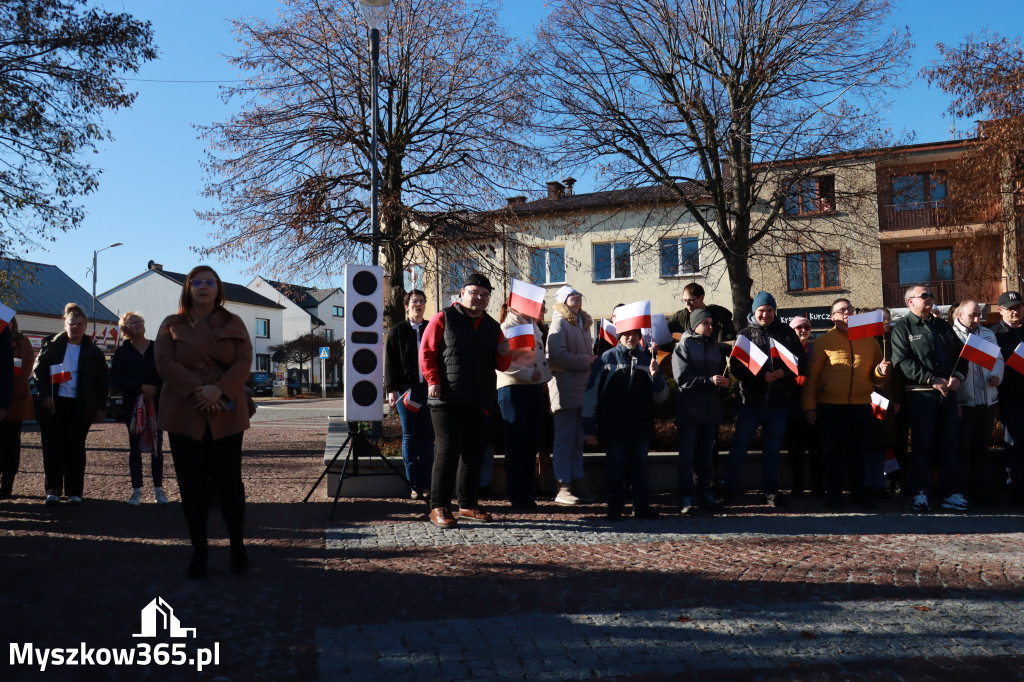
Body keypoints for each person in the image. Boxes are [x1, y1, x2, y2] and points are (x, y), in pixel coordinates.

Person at [155, 266, 253, 577]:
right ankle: (199, 550)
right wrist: (200, 390)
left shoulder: (234, 322)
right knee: (191, 485)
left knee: (230, 484)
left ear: (218, 289)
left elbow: (244, 360)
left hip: (226, 412)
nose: (203, 287)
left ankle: (237, 545)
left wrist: (219, 390)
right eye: (196, 282)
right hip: (186, 412)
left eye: (209, 282)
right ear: (188, 289)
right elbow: (163, 362)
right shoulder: (171, 324)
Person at [419, 273, 511, 528]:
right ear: (462, 293)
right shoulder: (443, 317)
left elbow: (502, 365)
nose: (479, 298)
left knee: (474, 454)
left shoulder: (493, 327)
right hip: (446, 398)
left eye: (484, 295)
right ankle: (438, 506)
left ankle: (468, 505)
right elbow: (426, 351)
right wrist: (432, 380)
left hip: (480, 399)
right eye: (474, 293)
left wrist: (505, 353)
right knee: (447, 453)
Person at [802, 298, 890, 508]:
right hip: (832, 406)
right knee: (835, 454)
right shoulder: (824, 341)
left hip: (861, 406)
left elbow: (878, 378)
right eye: (842, 310)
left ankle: (858, 495)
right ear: (833, 317)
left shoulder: (870, 340)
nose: (847, 312)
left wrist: (881, 371)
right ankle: (834, 496)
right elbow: (812, 378)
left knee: (858, 453)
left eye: (850, 308)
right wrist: (809, 406)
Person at [721, 291, 805, 507]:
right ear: (754, 312)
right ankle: (727, 488)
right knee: (739, 447)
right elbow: (737, 368)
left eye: (769, 310)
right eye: (761, 310)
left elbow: (801, 362)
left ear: (774, 311)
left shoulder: (787, 333)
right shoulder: (745, 335)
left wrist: (784, 373)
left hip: (778, 404)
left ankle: (770, 491)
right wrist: (760, 376)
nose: (765, 314)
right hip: (750, 403)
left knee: (772, 450)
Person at [890, 284, 969, 512]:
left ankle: (950, 493)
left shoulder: (942, 326)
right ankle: (920, 493)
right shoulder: (902, 328)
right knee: (922, 446)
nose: (929, 298)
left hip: (948, 395)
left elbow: (962, 356)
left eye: (931, 295)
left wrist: (958, 378)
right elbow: (901, 362)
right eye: (924, 295)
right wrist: (930, 378)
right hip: (921, 395)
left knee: (950, 445)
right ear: (910, 302)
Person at [583, 313, 669, 520]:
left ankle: (642, 507)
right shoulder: (606, 359)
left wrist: (656, 376)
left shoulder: (648, 360)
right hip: (614, 425)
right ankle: (614, 509)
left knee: (640, 467)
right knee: (616, 468)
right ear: (619, 336)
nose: (631, 337)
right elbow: (591, 394)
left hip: (641, 425)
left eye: (635, 334)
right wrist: (588, 427)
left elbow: (661, 397)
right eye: (627, 334)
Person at [32, 303, 108, 505]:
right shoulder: (51, 346)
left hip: (81, 405)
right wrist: (45, 395)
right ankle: (53, 490)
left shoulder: (94, 352)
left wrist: (101, 407)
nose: (75, 327)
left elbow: (102, 381)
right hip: (54, 404)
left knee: (75, 449)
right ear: (65, 324)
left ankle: (75, 492)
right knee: (52, 448)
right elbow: (38, 371)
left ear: (85, 326)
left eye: (79, 324)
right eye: (72, 323)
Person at [497, 293, 552, 508]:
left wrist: (543, 379)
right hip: (513, 388)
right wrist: (528, 374)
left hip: (533, 388)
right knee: (516, 443)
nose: (538, 309)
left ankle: (527, 494)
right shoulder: (507, 327)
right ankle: (517, 495)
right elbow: (502, 362)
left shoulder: (532, 326)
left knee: (530, 442)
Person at [671, 308, 728, 514]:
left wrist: (724, 382)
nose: (710, 327)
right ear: (695, 325)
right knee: (687, 458)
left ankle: (706, 495)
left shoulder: (714, 347)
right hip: (690, 412)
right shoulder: (683, 346)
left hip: (710, 412)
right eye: (706, 323)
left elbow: (719, 375)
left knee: (706, 459)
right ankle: (686, 498)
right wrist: (709, 381)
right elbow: (682, 379)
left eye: (712, 323)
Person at [546, 285, 597, 506]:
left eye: (578, 294)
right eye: (571, 295)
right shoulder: (559, 322)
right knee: (565, 440)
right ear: (563, 301)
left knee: (577, 440)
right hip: (565, 388)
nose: (576, 296)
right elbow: (557, 355)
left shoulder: (583, 323)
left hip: (580, 388)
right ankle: (563, 487)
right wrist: (588, 361)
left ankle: (577, 482)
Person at [950, 300, 1003, 505]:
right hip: (964, 401)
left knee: (983, 448)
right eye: (972, 315)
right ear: (960, 315)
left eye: (979, 314)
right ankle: (963, 491)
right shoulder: (951, 335)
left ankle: (984, 492)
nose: (976, 319)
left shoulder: (987, 333)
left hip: (986, 399)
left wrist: (996, 376)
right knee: (963, 449)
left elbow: (998, 360)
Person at [111, 311, 167, 506]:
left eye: (140, 321)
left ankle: (159, 489)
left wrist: (154, 389)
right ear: (125, 329)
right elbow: (117, 379)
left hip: (156, 404)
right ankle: (137, 490)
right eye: (132, 322)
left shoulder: (156, 348)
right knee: (135, 447)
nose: (138, 324)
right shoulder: (122, 352)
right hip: (133, 406)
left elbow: (165, 372)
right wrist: (140, 388)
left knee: (157, 447)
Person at [384, 289, 434, 500]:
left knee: (428, 437)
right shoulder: (398, 331)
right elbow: (390, 362)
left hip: (429, 390)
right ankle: (414, 485)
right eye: (414, 301)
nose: (418, 304)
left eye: (422, 300)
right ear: (406, 306)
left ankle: (428, 484)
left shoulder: (432, 327)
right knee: (410, 436)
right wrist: (391, 389)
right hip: (406, 392)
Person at [786, 316, 824, 496]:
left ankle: (819, 486)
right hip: (793, 408)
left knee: (817, 449)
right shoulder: (785, 350)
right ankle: (797, 485)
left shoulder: (816, 350)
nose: (803, 330)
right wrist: (797, 380)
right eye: (799, 327)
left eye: (806, 327)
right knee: (796, 451)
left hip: (815, 407)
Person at [992, 291, 1024, 505]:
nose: (1015, 312)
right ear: (1000, 310)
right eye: (1010, 308)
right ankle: (1018, 491)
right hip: (1010, 400)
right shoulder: (993, 335)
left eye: (1018, 307)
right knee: (1015, 448)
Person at [1, 318, 31, 497]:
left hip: (15, 400)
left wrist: (8, 390)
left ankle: (7, 485)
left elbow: (26, 367)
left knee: (11, 444)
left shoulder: (23, 342)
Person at [667, 282, 737, 347]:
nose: (687, 304)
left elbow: (731, 341)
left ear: (701, 298)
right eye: (685, 300)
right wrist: (676, 344)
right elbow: (663, 335)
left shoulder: (719, 315)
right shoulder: (680, 316)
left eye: (691, 300)